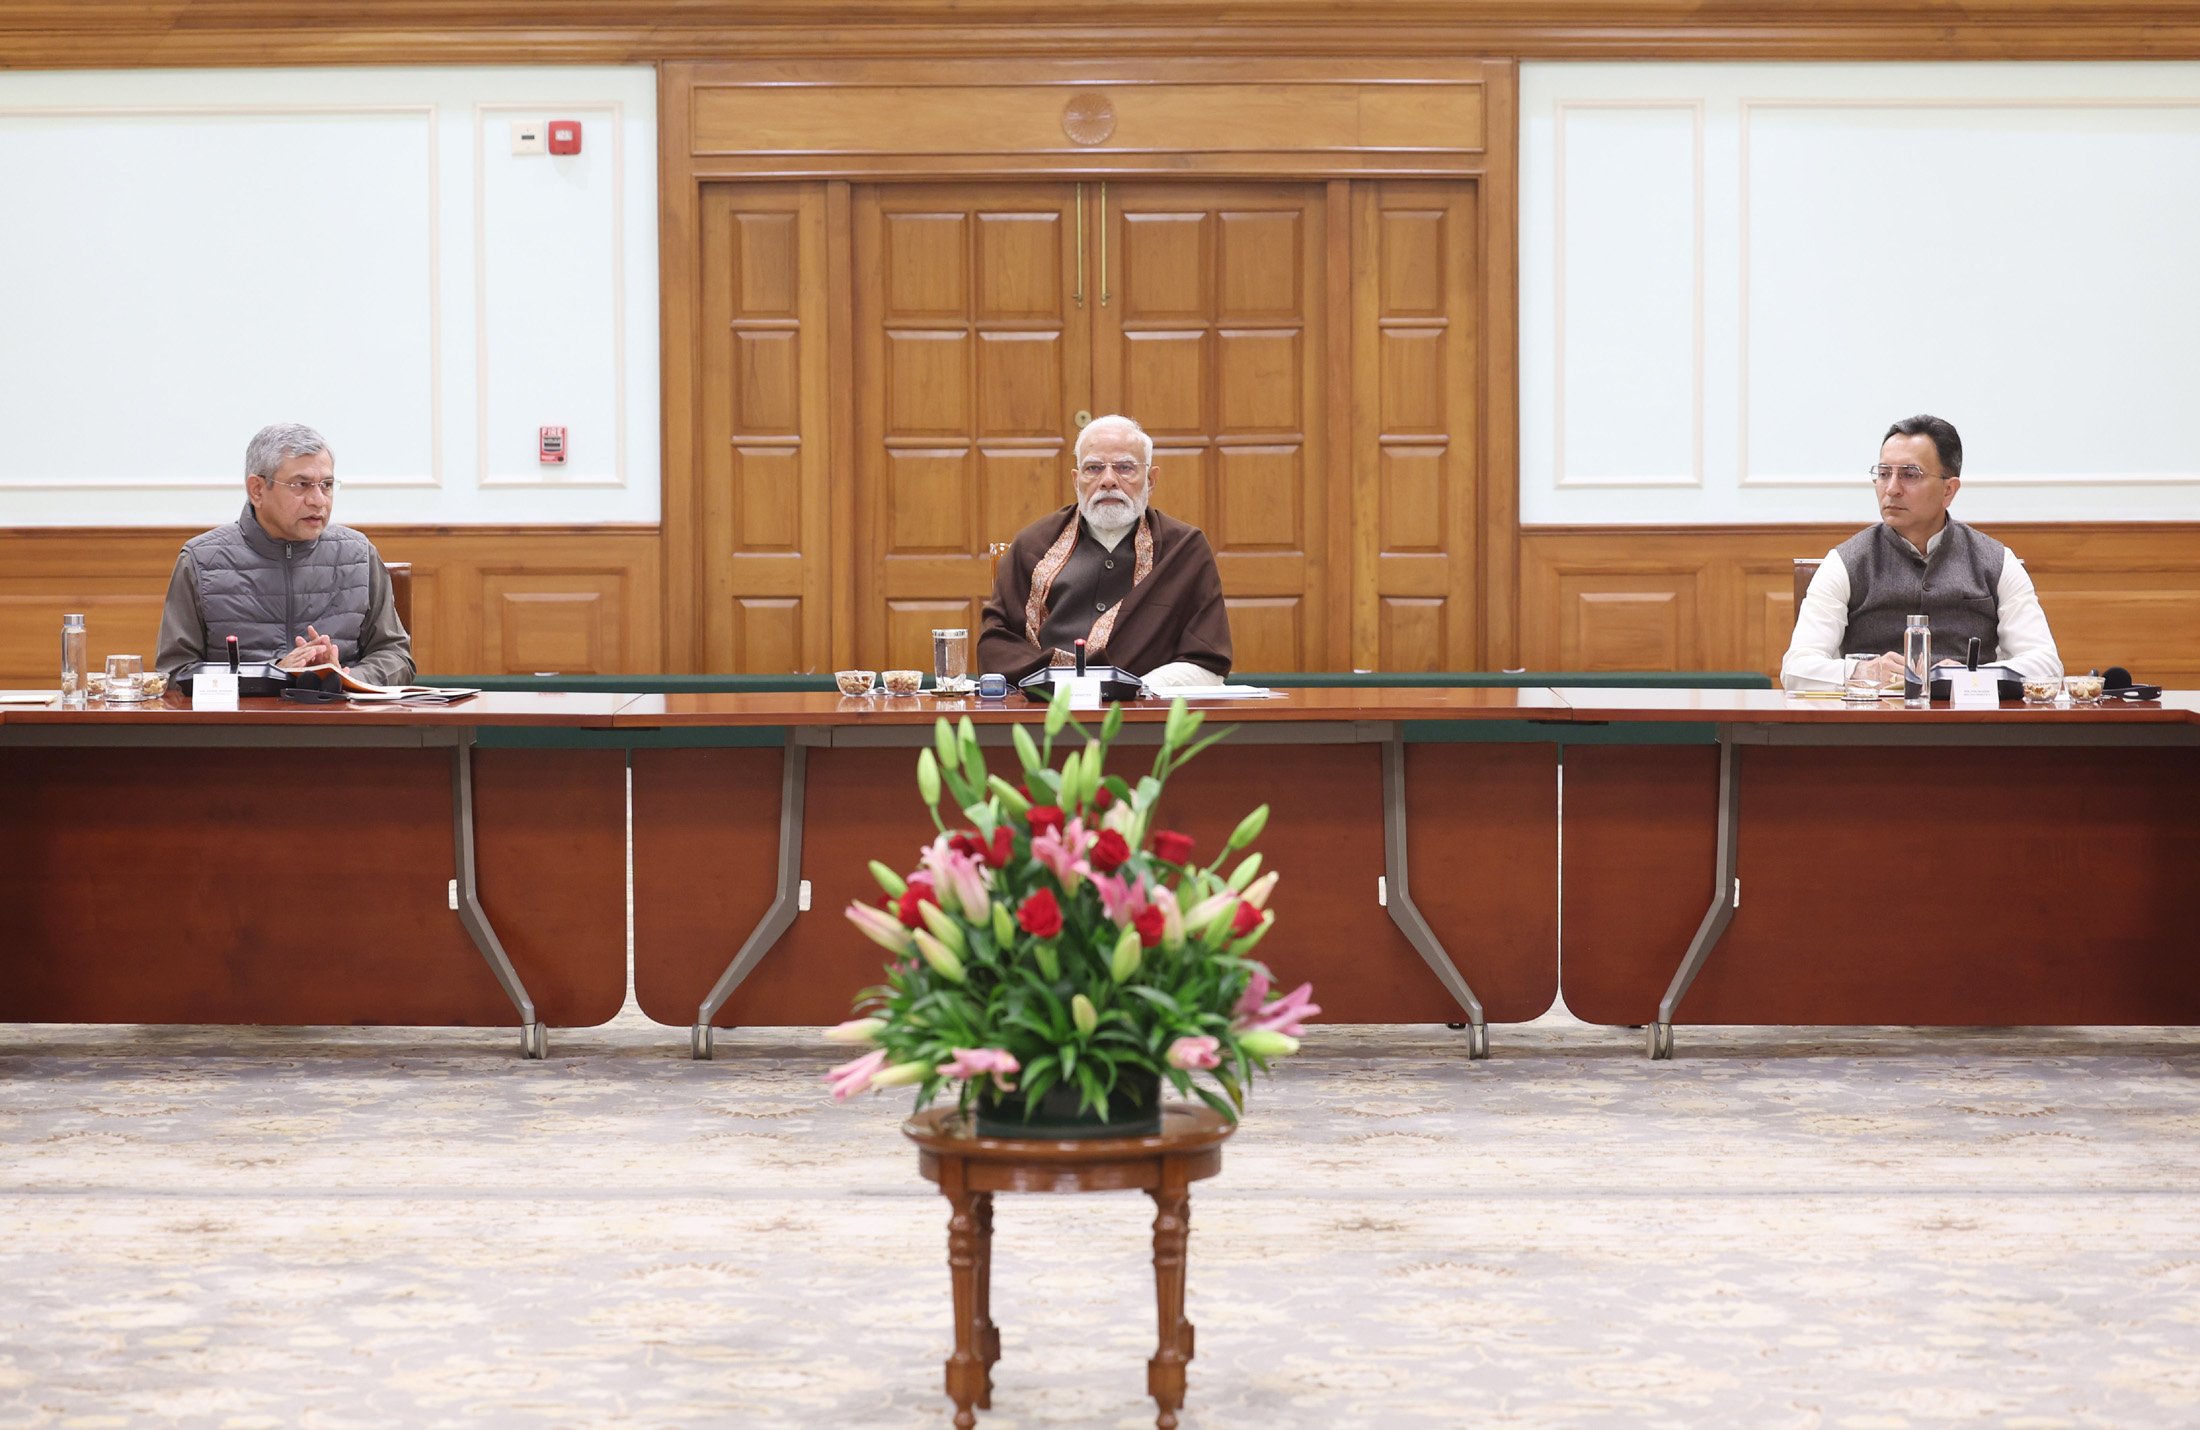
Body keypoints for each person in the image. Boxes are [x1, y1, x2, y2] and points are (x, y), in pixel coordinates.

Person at [1782, 414, 2059, 691]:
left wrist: (1971, 677)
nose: (1892, 489)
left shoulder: (1997, 561)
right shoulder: (1845, 562)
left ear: (1948, 490)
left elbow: (2046, 666)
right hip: (1874, 715)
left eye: (1909, 475)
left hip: (1968, 715)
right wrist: (1862, 671)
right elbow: (1795, 670)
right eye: (1884, 474)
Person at [978, 414, 1232, 687]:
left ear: (1151, 479)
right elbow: (996, 643)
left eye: (1125, 467)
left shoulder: (1184, 549)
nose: (1108, 480)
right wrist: (1057, 683)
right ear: (1076, 480)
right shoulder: (1032, 546)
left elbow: (1207, 659)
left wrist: (1136, 691)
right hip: (1048, 705)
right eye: (1093, 468)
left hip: (1147, 707)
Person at [156, 423, 416, 684]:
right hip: (243, 711)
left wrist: (344, 678)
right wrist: (272, 674)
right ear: (257, 490)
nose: (318, 500)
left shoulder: (358, 554)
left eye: (326, 485)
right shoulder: (201, 561)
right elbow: (176, 672)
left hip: (339, 708)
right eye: (301, 484)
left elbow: (396, 657)